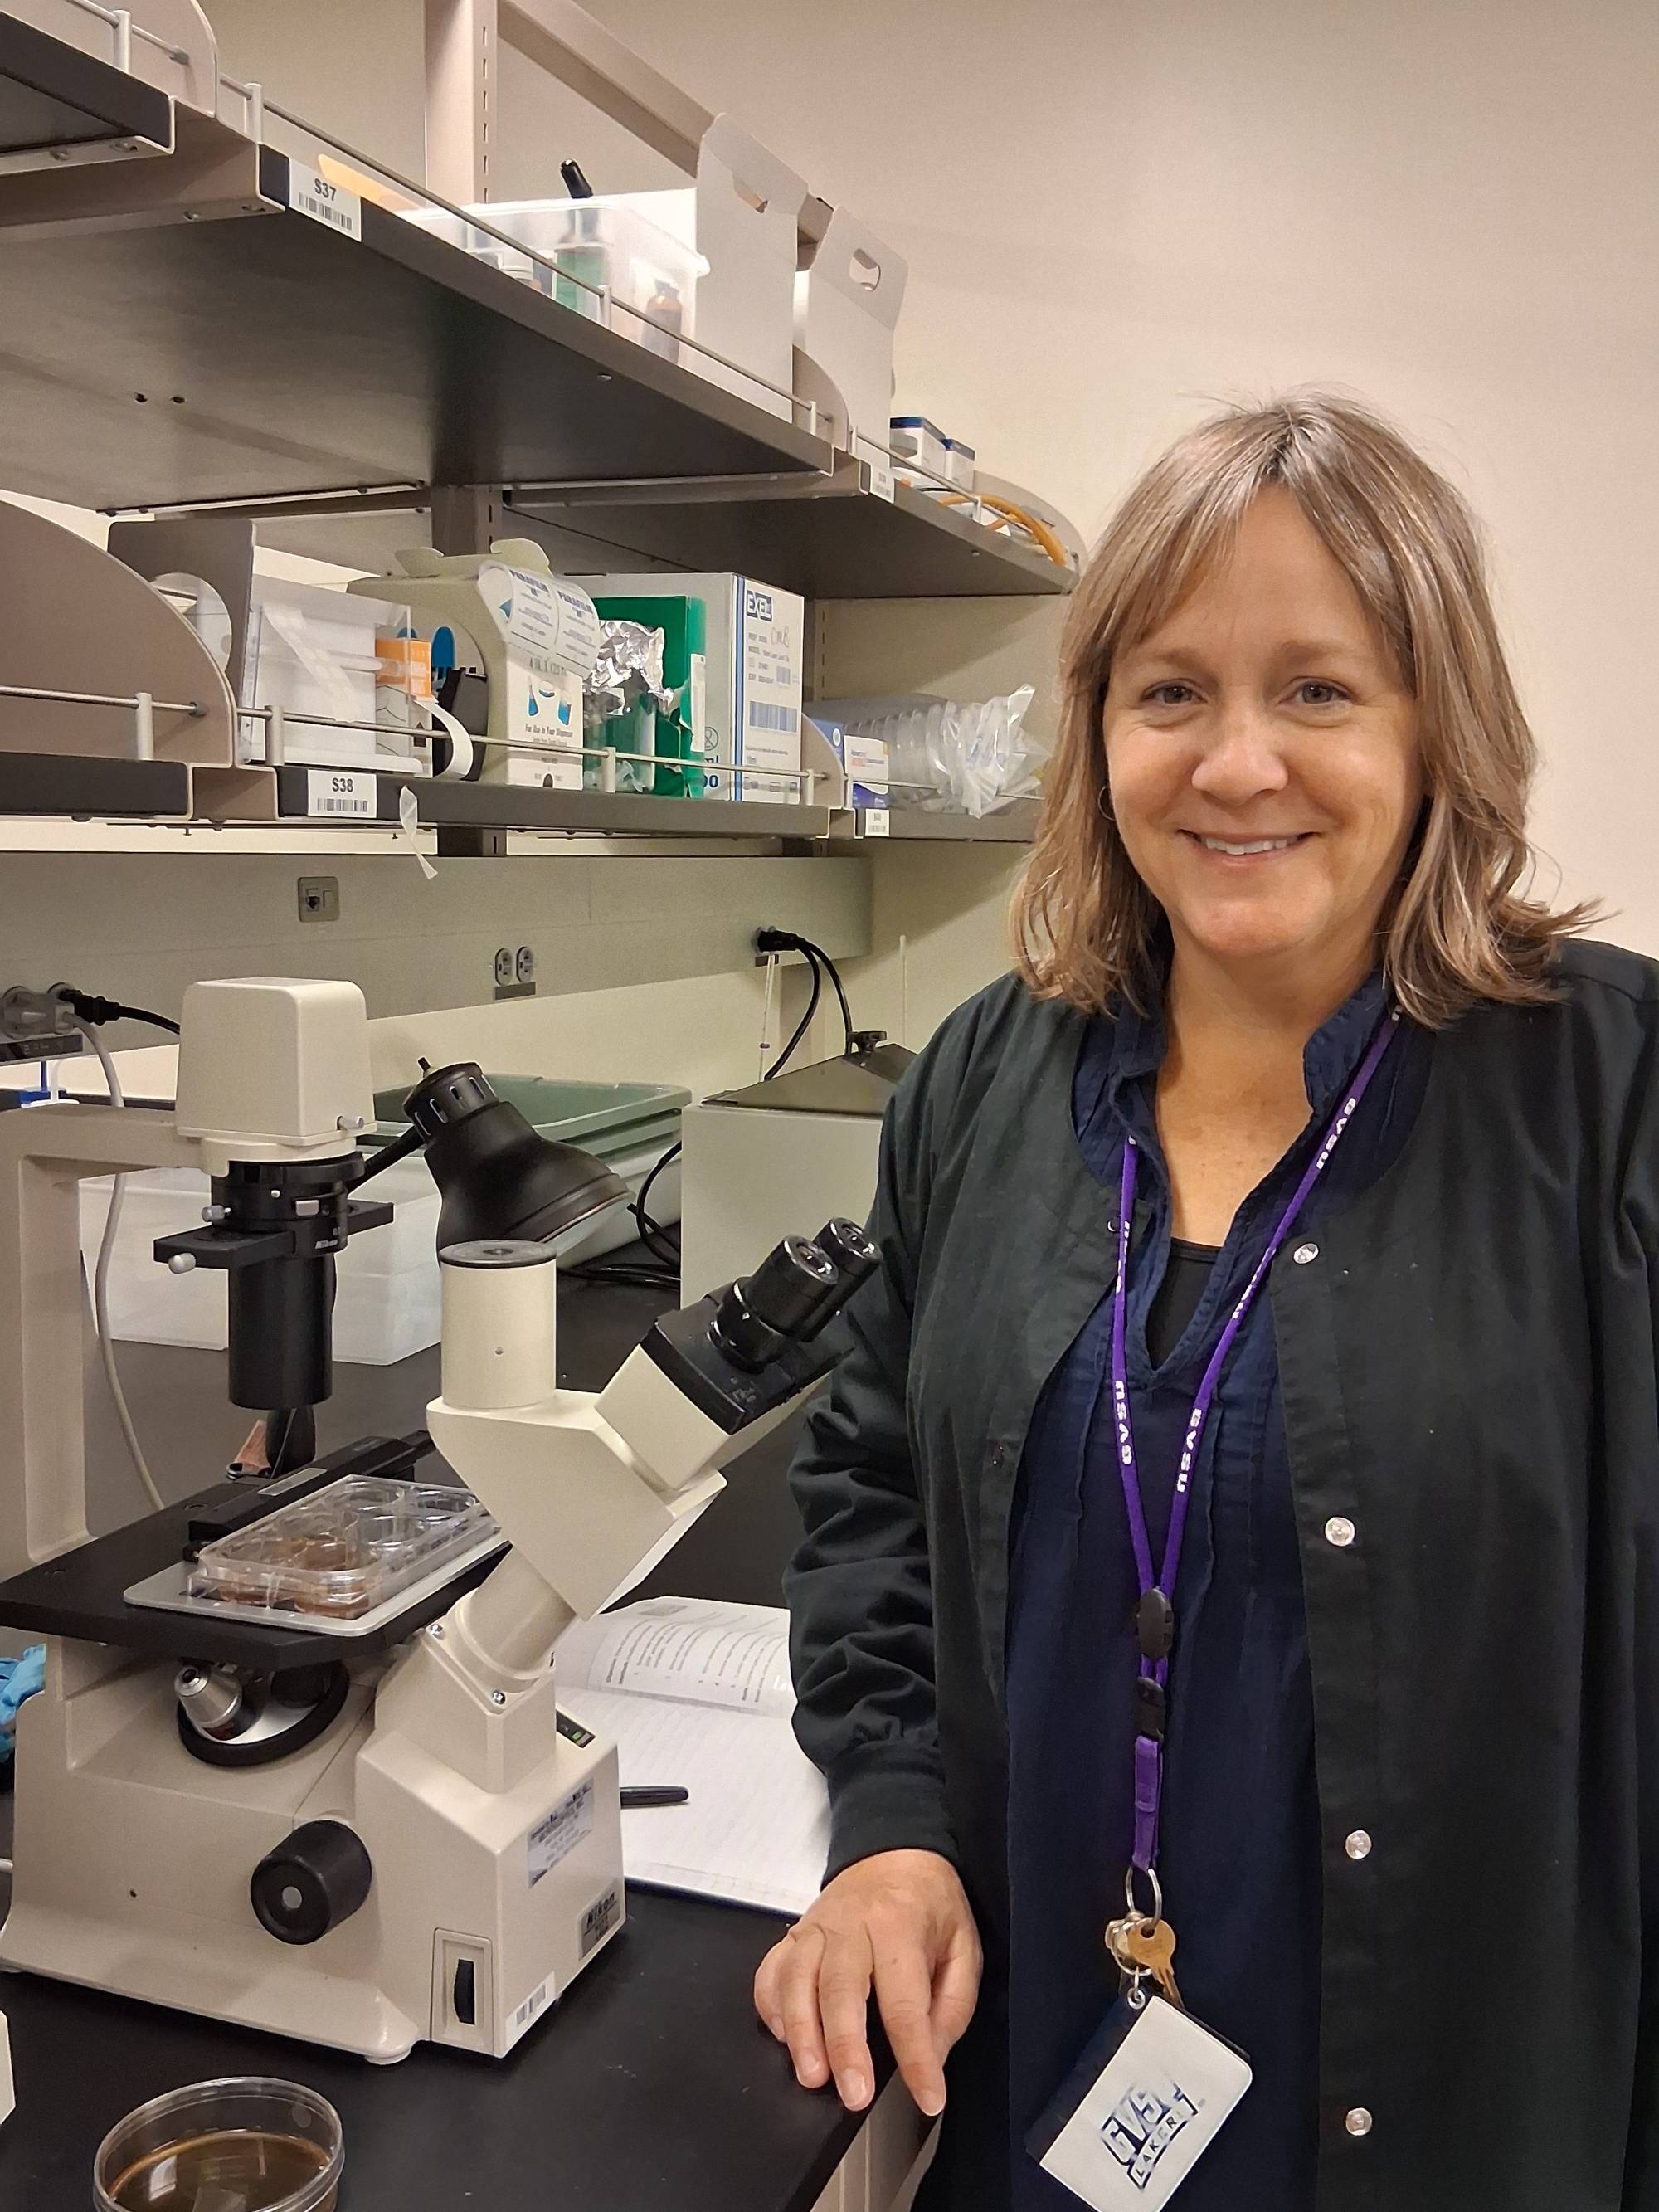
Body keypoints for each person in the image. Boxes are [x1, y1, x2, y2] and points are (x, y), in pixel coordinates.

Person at [753, 392, 1659, 2211]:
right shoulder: (981, 1090)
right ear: (1097, 734)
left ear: (1433, 730)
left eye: (1317, 689)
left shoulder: (1610, 1094)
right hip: (1046, 2083)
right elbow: (865, 1499)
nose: (1235, 764)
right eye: (1169, 691)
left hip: (1464, 2113)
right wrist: (892, 1833)